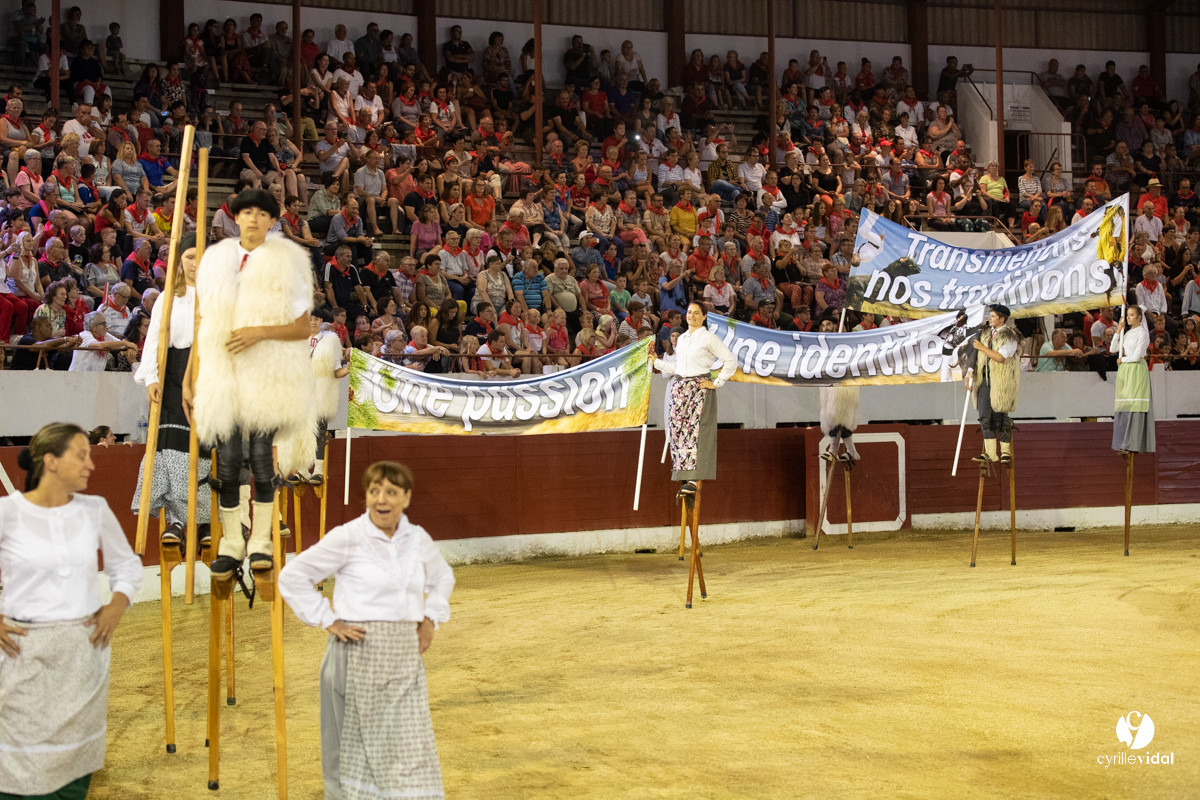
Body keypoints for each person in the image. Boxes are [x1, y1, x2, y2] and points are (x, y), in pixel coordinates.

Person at [278, 460, 453, 800]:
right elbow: (293, 576)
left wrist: (430, 618)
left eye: (390, 492)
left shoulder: (417, 540)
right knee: (349, 752)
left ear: (406, 498)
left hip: (403, 659)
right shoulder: (348, 537)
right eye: (374, 491)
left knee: (407, 749)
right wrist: (326, 618)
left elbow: (443, 578)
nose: (381, 499)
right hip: (354, 656)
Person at [0, 422, 143, 799]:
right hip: (22, 651)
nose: (90, 465)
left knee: (74, 768)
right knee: (16, 766)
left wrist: (116, 602)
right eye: (81, 455)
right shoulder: (6, 513)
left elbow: (126, 566)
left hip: (83, 652)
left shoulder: (94, 510)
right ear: (50, 461)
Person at [185, 188, 315, 580]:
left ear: (273, 221)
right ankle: (230, 543)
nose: (254, 219)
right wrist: (191, 379)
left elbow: (302, 326)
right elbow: (202, 324)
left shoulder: (288, 261)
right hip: (222, 371)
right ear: (235, 217)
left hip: (266, 372)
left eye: (262, 213)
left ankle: (260, 541)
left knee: (260, 458)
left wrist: (258, 331)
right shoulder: (216, 261)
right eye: (247, 213)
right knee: (225, 461)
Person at [131, 232, 212, 548]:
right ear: (180, 260)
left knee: (203, 451)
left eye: (201, 256)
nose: (195, 263)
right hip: (174, 376)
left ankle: (203, 521)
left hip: (206, 377)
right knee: (171, 449)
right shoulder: (168, 297)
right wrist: (150, 377)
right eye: (190, 256)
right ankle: (178, 520)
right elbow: (154, 341)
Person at [648, 302, 737, 496]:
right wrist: (657, 362)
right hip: (680, 387)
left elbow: (730, 361)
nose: (692, 316)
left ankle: (694, 478)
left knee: (696, 432)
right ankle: (684, 477)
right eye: (689, 312)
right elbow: (678, 367)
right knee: (678, 431)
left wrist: (717, 382)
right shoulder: (684, 339)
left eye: (697, 313)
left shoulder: (708, 338)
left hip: (698, 388)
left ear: (704, 316)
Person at [967, 304, 1020, 465]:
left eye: (993, 316)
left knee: (1000, 415)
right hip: (984, 379)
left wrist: (982, 348)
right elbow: (974, 356)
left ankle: (1004, 452)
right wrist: (970, 374)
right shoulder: (984, 334)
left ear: (1002, 319)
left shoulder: (1010, 336)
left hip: (1000, 381)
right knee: (985, 416)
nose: (989, 319)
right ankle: (991, 453)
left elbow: (1000, 358)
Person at [1111, 305, 1155, 454]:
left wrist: (1123, 359)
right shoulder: (1127, 333)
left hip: (1135, 368)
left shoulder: (1142, 333)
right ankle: (1123, 440)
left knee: (1135, 404)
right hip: (1125, 368)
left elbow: (1137, 356)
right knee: (1124, 404)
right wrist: (1118, 331)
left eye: (1131, 315)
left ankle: (1133, 442)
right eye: (1127, 315)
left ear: (1139, 317)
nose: (1128, 317)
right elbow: (1112, 349)